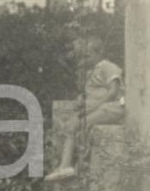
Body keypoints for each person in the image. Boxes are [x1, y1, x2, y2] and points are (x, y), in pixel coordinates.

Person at [46, 35, 125, 182]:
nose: (85, 60)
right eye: (83, 57)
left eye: (88, 56)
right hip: (103, 108)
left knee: (76, 124)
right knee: (72, 124)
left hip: (113, 107)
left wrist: (92, 108)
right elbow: (92, 93)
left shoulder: (107, 66)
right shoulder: (92, 72)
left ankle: (66, 166)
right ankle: (65, 165)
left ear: (99, 53)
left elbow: (113, 92)